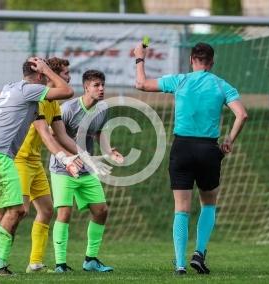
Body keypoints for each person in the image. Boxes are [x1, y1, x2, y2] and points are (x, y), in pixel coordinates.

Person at [134, 42, 247, 275]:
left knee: (181, 209)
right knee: (208, 203)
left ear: (191, 60)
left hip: (182, 148)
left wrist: (139, 58)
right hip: (208, 150)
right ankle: (199, 253)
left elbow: (141, 84)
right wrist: (229, 141)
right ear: (212, 62)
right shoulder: (221, 84)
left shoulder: (180, 80)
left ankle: (180, 264)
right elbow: (242, 114)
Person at [0, 57, 82, 276]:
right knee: (16, 210)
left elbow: (49, 134)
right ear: (41, 75)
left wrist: (80, 156)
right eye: (62, 73)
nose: (68, 76)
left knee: (19, 210)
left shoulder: (13, 88)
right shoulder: (31, 91)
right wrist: (47, 70)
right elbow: (68, 91)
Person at [49, 69, 124, 273]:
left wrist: (109, 152)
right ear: (86, 87)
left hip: (87, 169)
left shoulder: (102, 108)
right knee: (64, 213)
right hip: (63, 168)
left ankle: (90, 260)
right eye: (96, 85)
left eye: (103, 85)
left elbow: (99, 132)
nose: (101, 89)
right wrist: (69, 159)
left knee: (101, 211)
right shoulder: (68, 109)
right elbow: (52, 137)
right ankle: (60, 264)